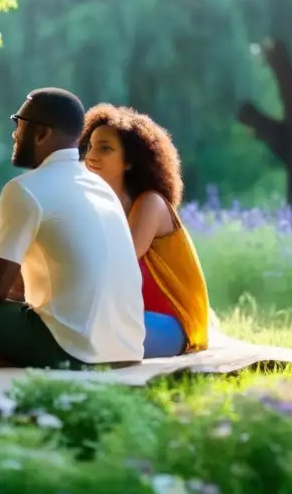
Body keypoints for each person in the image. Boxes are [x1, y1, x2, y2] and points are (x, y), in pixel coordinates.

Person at [0, 88, 145, 370]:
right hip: (126, 352)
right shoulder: (101, 188)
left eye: (19, 124)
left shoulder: (25, 189)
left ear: (41, 134)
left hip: (73, 352)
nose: (14, 134)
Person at [80, 104, 211, 357]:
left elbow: (116, 264)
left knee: (77, 329)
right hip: (127, 315)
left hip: (170, 325)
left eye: (104, 148)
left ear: (130, 162)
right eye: (91, 147)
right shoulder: (100, 204)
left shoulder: (150, 203)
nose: (91, 156)